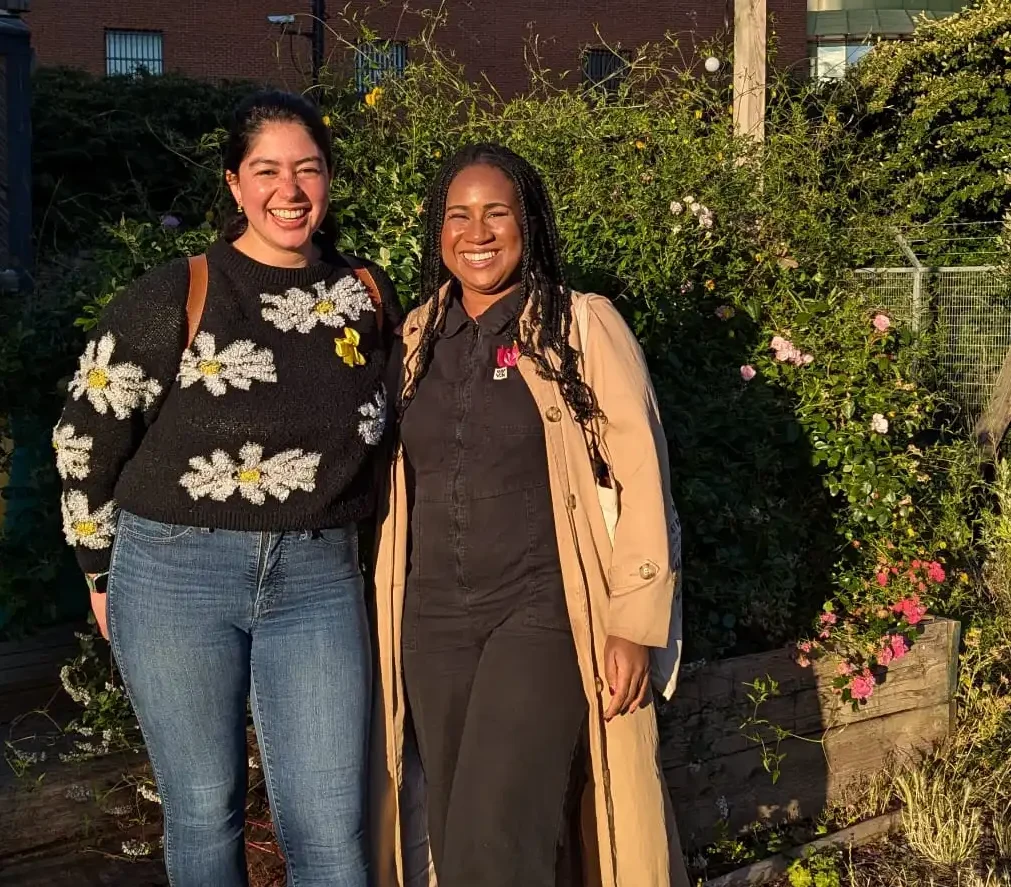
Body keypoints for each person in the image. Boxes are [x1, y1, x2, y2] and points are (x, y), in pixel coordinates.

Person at [54, 90, 399, 887]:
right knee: (205, 811)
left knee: (329, 830)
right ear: (234, 185)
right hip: (176, 573)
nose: (289, 190)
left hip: (317, 578)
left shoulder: (366, 296)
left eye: (307, 169)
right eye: (267, 170)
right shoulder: (178, 292)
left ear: (331, 180)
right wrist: (98, 568)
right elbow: (85, 433)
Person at [369, 143, 690, 887]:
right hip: (432, 621)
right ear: (436, 230)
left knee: (496, 839)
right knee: (453, 832)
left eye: (496, 213)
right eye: (458, 215)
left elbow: (644, 475)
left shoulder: (578, 327)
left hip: (542, 611)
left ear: (529, 224)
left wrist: (633, 624)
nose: (476, 233)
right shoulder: (413, 339)